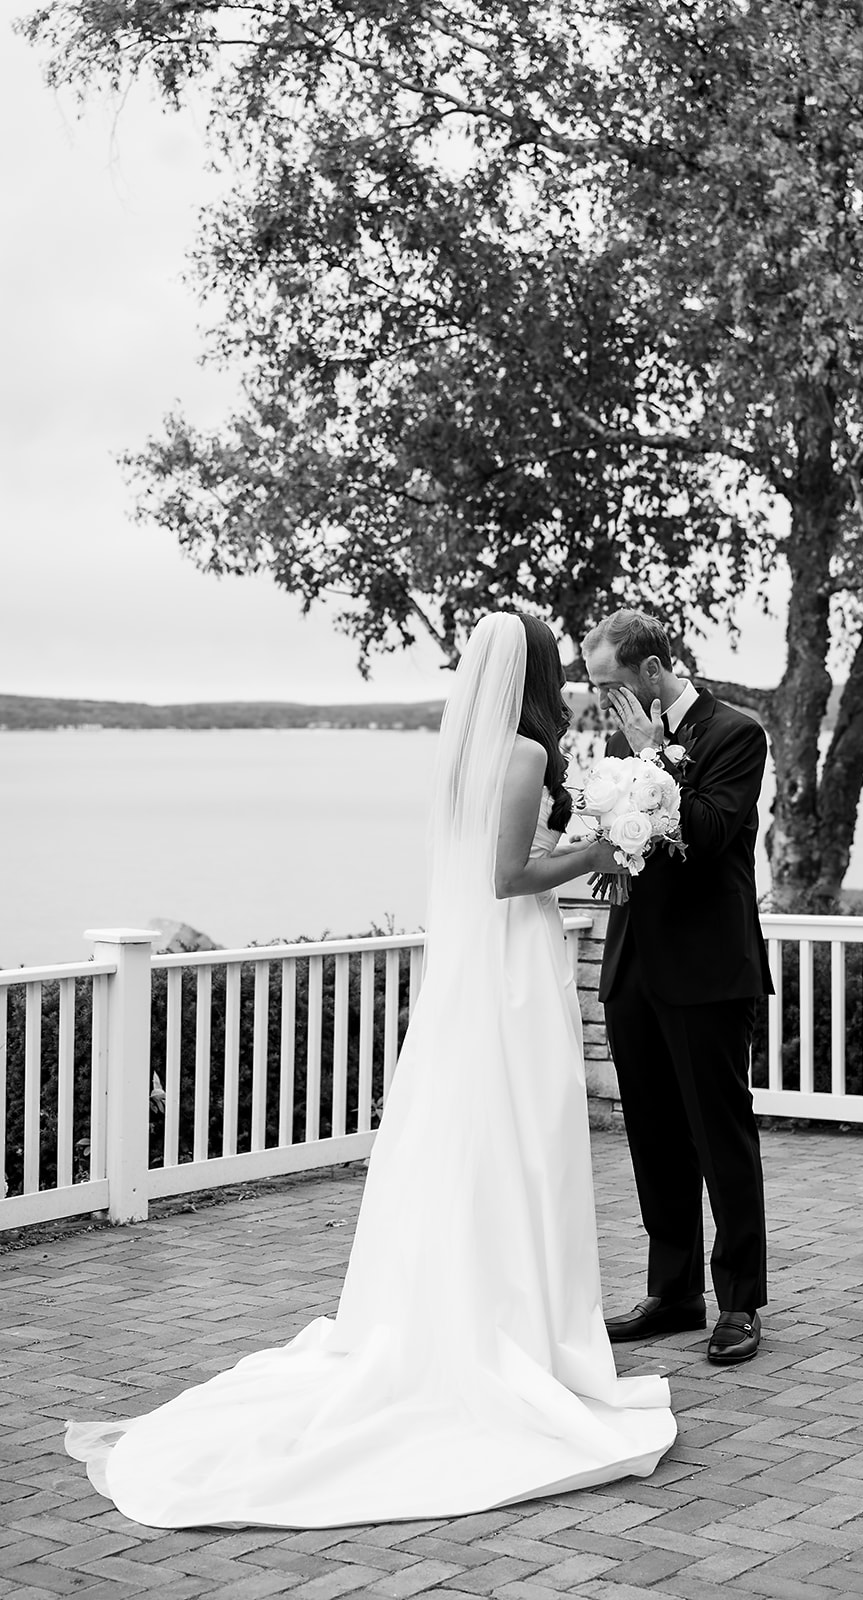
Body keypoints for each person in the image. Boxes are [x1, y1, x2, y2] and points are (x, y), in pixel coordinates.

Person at [64, 611, 676, 1529]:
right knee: (519, 1142)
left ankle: (499, 1322)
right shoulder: (517, 754)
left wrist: (602, 821)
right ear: (541, 671)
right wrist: (603, 848)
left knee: (485, 1142)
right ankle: (513, 1337)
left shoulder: (473, 754)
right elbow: (508, 877)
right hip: (509, 969)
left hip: (489, 967)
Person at [582, 610, 773, 1366]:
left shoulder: (735, 734)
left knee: (718, 1138)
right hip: (633, 968)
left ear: (652, 672)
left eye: (611, 686)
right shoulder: (610, 745)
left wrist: (650, 755)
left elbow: (708, 832)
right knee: (654, 1139)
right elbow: (614, 838)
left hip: (707, 969)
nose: (603, 703)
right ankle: (673, 1295)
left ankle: (738, 1303)